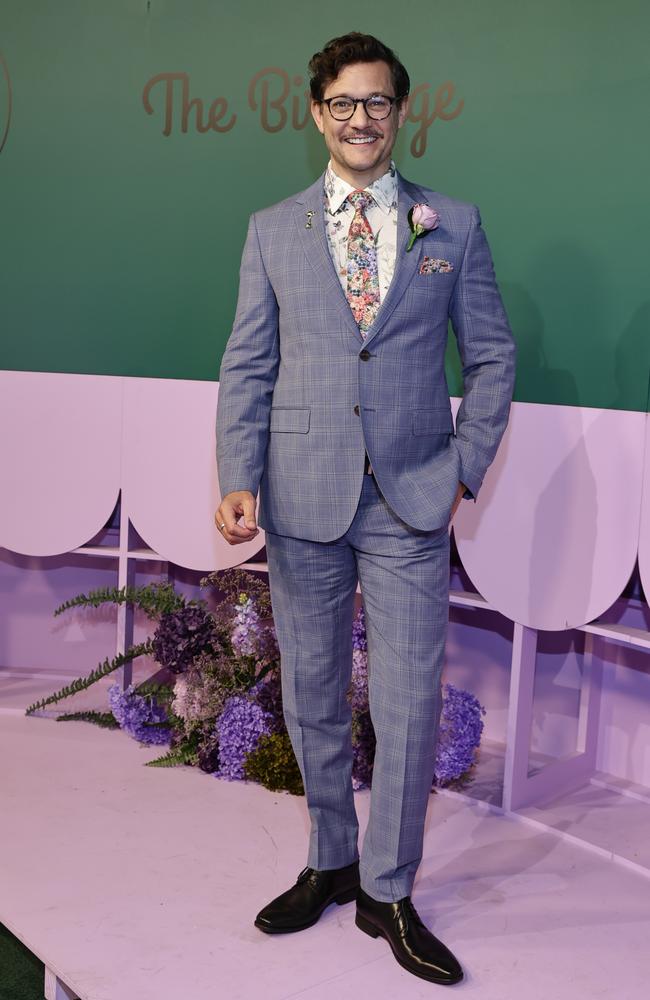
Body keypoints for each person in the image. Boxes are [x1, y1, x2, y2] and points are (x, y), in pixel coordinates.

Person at [215, 32, 516, 986]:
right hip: (301, 495)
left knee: (408, 699)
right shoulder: (272, 229)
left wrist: (465, 466)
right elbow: (248, 363)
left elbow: (494, 357)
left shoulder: (452, 224)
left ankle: (389, 889)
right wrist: (237, 472)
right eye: (343, 103)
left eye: (377, 103)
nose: (360, 119)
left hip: (413, 499)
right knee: (309, 692)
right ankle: (331, 860)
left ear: (399, 112)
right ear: (316, 113)